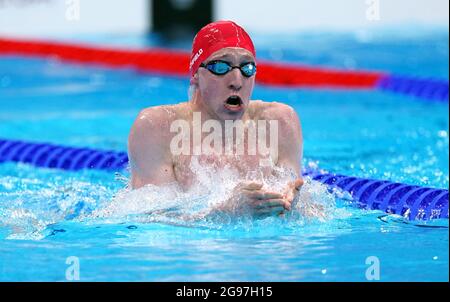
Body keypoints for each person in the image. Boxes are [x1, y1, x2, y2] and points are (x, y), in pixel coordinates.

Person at [128, 20, 304, 218]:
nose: (237, 82)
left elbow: (303, 205)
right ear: (195, 74)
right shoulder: (157, 127)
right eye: (221, 66)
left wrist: (294, 207)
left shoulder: (281, 122)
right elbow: (148, 220)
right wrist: (223, 213)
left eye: (247, 68)